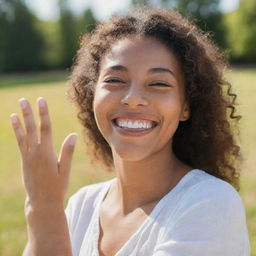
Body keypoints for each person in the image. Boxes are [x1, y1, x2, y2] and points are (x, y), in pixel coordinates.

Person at [10, 7, 250, 256]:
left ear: (185, 106)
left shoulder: (210, 204)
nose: (133, 99)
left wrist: (47, 212)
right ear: (93, 96)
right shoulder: (82, 205)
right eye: (115, 80)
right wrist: (39, 208)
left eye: (158, 83)